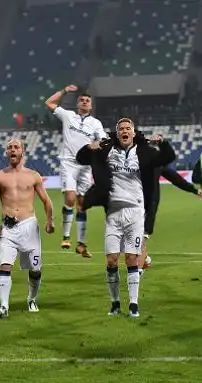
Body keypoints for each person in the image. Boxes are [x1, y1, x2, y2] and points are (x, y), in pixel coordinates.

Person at [76, 118, 176, 318]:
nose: (124, 131)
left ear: (133, 132)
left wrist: (162, 143)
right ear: (117, 132)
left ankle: (133, 304)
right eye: (121, 128)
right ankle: (114, 303)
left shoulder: (144, 152)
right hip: (113, 213)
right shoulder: (106, 150)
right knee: (112, 260)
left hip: (136, 212)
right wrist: (89, 146)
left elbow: (168, 157)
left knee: (132, 258)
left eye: (128, 128)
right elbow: (81, 158)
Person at [0, 139, 54, 318]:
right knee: (5, 265)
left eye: (16, 147)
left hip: (29, 227)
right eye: (9, 147)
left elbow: (46, 200)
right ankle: (3, 306)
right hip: (8, 228)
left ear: (22, 151)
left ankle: (32, 298)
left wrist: (50, 220)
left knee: (35, 269)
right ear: (6, 153)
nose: (12, 150)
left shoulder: (33, 175)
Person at [45, 85, 107, 258]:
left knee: (82, 203)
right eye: (82, 100)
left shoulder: (95, 123)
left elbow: (103, 139)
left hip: (86, 166)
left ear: (91, 106)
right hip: (68, 162)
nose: (85, 102)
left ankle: (81, 243)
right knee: (70, 198)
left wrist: (99, 144)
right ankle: (65, 236)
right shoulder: (68, 116)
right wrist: (64, 91)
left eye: (88, 101)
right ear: (78, 103)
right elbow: (49, 103)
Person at [139, 165, 201, 273]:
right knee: (131, 239)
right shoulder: (127, 158)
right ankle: (145, 259)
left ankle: (137, 272)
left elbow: (175, 178)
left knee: (140, 238)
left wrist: (193, 190)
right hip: (130, 204)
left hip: (148, 206)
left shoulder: (155, 159)